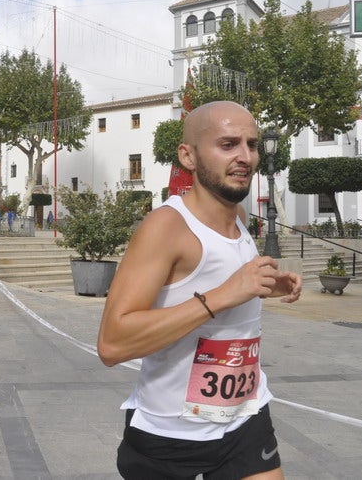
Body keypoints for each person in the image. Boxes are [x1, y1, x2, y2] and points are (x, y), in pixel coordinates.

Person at [97, 101, 302, 480]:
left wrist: (268, 286)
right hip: (170, 433)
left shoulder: (239, 218)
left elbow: (215, 284)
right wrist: (224, 295)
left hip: (244, 415)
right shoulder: (166, 226)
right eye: (228, 145)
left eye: (251, 144)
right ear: (188, 156)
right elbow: (113, 343)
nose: (245, 157)